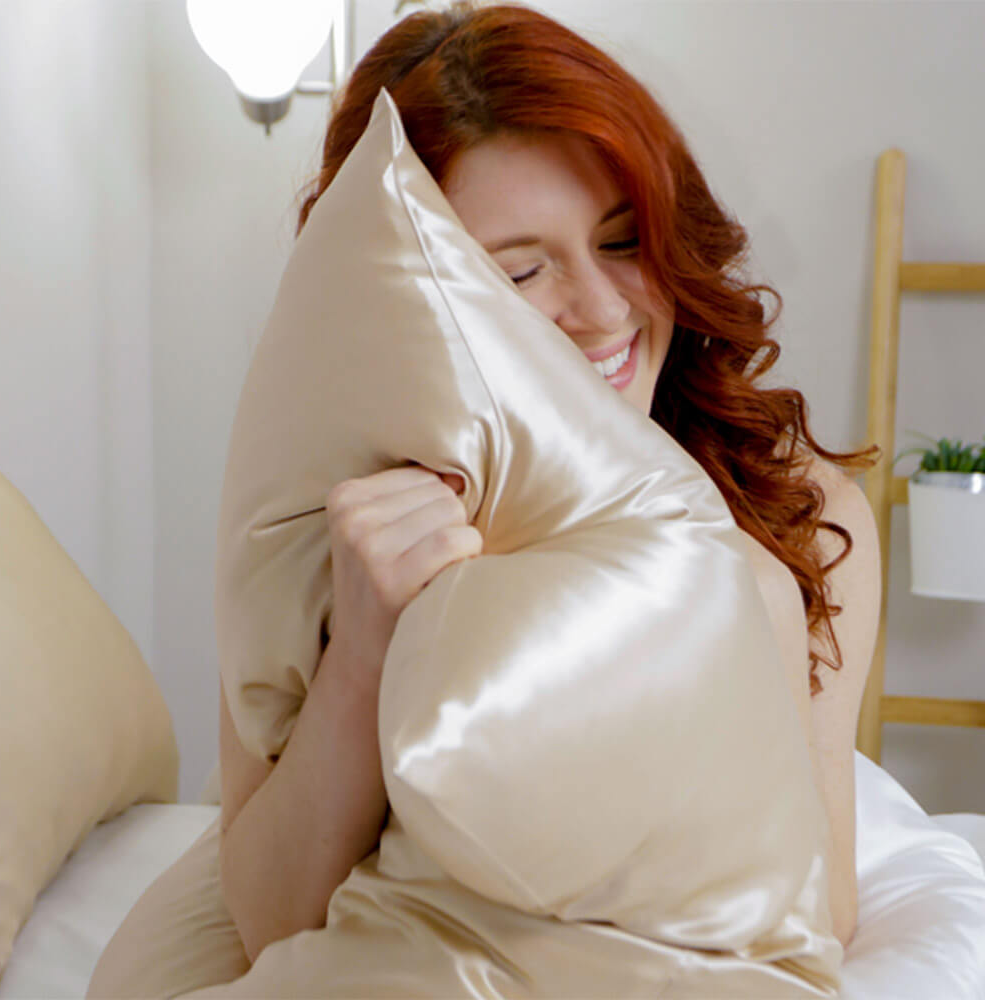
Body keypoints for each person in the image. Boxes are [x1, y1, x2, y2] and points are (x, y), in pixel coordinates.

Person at [88, 2, 882, 995]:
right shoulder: (337, 514)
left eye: (624, 241)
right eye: (518, 271)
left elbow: (824, 908)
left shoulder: (798, 511)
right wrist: (362, 654)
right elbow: (269, 913)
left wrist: (717, 600)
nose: (601, 310)